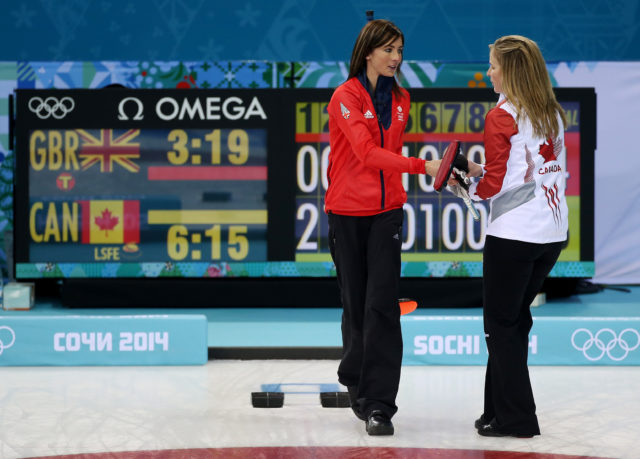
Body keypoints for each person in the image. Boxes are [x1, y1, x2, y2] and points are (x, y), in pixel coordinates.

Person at [325, 19, 440, 436]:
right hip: (345, 213)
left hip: (387, 213)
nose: (396, 58)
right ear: (369, 51)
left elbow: (386, 156)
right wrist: (422, 166)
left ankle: (379, 405)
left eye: (400, 51)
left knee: (382, 306)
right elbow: (367, 153)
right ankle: (356, 378)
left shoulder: (403, 98)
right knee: (355, 304)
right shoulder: (344, 97)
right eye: (389, 50)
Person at [450, 35, 569, 438]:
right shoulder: (550, 111)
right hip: (551, 234)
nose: (489, 72)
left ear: (511, 71)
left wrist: (466, 184)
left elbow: (496, 186)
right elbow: (528, 171)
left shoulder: (501, 116)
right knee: (513, 323)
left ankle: (517, 419)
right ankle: (495, 412)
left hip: (514, 236)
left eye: (494, 66)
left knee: (500, 326)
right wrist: (480, 172)